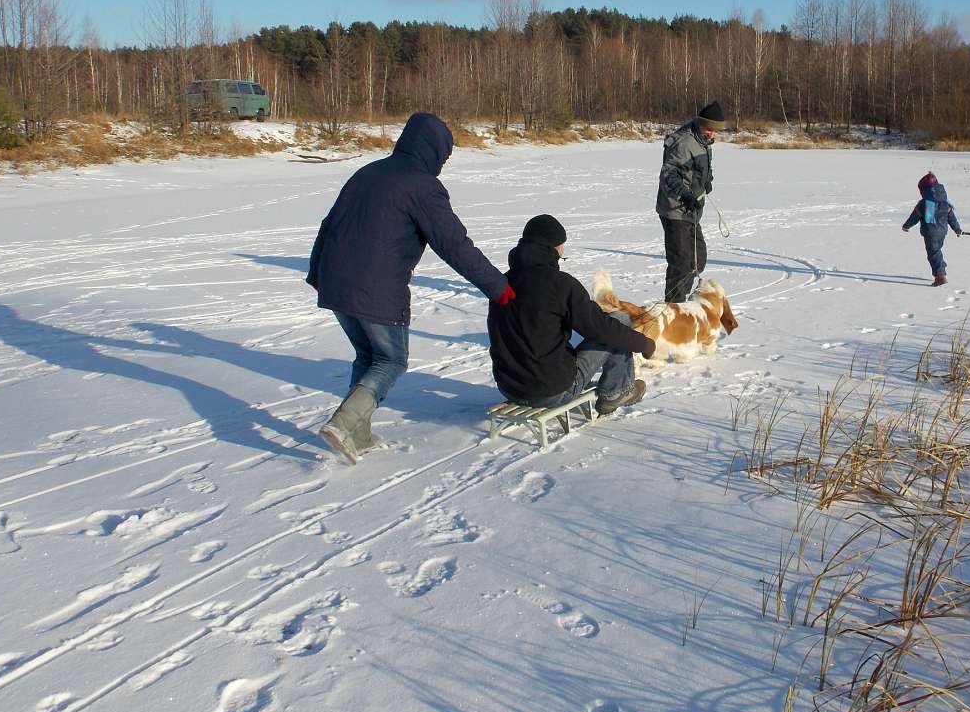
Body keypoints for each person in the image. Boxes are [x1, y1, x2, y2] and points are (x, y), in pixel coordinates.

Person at [307, 111, 514, 463]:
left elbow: (329, 225)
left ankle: (357, 432)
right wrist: (500, 288)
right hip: (376, 288)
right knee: (391, 360)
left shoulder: (368, 172)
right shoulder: (422, 186)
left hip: (336, 283)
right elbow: (454, 245)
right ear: (434, 150)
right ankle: (344, 423)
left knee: (368, 357)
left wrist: (317, 274)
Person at [488, 214, 655, 415]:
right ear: (554, 247)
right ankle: (617, 391)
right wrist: (644, 344)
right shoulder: (560, 284)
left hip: (508, 386)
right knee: (618, 321)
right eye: (562, 247)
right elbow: (600, 328)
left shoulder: (500, 282)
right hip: (552, 391)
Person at [656, 101, 722, 302]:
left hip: (691, 211)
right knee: (682, 263)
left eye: (716, 131)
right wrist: (685, 194)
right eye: (709, 129)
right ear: (701, 124)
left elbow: (699, 168)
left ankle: (681, 301)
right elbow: (669, 173)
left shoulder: (702, 139)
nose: (712, 134)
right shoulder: (684, 142)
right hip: (675, 210)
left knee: (698, 259)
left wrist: (706, 182)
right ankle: (673, 308)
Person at [901, 171, 970, 287]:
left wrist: (906, 226)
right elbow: (951, 217)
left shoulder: (923, 204)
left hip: (930, 232)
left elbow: (914, 217)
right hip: (942, 232)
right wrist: (958, 230)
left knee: (933, 254)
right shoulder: (945, 203)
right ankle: (941, 268)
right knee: (937, 251)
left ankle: (940, 276)